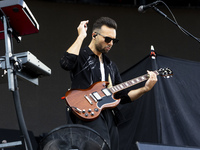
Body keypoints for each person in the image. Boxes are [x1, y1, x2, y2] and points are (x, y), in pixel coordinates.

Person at [60, 17, 157, 150]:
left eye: (114, 40)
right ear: (94, 35)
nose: (111, 43)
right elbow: (66, 63)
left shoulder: (111, 65)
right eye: (107, 39)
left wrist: (144, 89)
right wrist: (81, 36)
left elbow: (123, 96)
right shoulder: (81, 55)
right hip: (86, 110)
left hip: (108, 113)